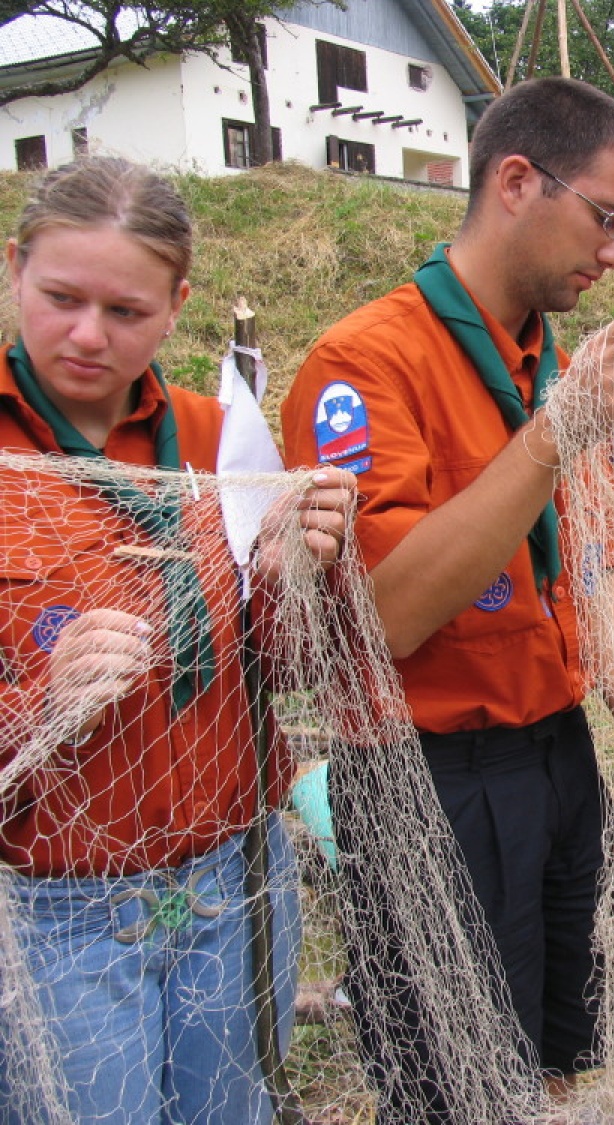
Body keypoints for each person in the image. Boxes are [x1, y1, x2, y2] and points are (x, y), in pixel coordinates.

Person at [281, 77, 614, 1118]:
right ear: (517, 181)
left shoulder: (547, 361)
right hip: (429, 779)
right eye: (607, 219)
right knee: (450, 1088)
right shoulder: (366, 364)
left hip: (556, 754)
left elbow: (596, 568)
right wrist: (552, 437)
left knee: (557, 1057)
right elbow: (383, 616)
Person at [0, 157, 354, 1122]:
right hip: (52, 913)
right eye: (60, 296)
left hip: (235, 881)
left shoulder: (219, 443)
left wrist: (297, 573)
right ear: (13, 267)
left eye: (126, 311)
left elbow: (277, 671)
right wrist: (39, 704)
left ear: (177, 304)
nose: (86, 334)